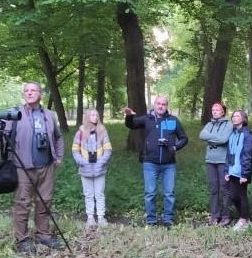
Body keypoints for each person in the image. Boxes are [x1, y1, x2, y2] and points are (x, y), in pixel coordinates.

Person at [0, 82, 65, 253]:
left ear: (41, 94)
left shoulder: (48, 115)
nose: (29, 93)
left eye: (33, 90)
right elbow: (1, 134)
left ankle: (44, 235)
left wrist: (58, 157)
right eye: (26, 90)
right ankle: (22, 239)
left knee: (45, 202)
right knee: (22, 203)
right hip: (22, 167)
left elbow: (58, 137)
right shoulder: (15, 114)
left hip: (46, 166)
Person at [122, 95, 188, 228]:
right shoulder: (147, 119)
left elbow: (184, 138)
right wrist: (129, 115)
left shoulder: (173, 120)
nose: (160, 106)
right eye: (158, 103)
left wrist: (175, 147)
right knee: (150, 193)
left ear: (167, 106)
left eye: (163, 104)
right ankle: (151, 221)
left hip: (169, 164)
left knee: (169, 193)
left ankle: (168, 219)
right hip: (150, 162)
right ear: (154, 105)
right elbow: (131, 125)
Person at [72, 109, 113, 228]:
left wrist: (102, 161)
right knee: (88, 194)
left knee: (99, 194)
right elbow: (75, 150)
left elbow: (108, 149)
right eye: (93, 115)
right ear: (87, 117)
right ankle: (90, 217)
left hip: (100, 169)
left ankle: (101, 217)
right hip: (85, 169)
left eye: (97, 115)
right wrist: (82, 161)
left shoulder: (102, 131)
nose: (95, 117)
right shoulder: (80, 132)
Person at [199, 103, 233, 226]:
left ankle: (226, 215)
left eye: (217, 110)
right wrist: (217, 138)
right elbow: (201, 135)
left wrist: (210, 138)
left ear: (223, 112)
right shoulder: (209, 124)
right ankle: (214, 215)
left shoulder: (229, 124)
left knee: (224, 188)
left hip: (222, 160)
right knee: (213, 188)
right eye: (213, 110)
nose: (214, 112)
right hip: (210, 160)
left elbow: (224, 140)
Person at [225, 110, 252, 231]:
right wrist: (226, 171)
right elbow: (228, 154)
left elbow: (247, 155)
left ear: (243, 119)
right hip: (232, 170)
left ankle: (243, 219)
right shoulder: (232, 134)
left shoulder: (247, 135)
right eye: (233, 116)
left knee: (242, 195)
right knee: (233, 196)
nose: (234, 118)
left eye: (237, 116)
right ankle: (245, 217)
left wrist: (245, 174)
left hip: (241, 171)